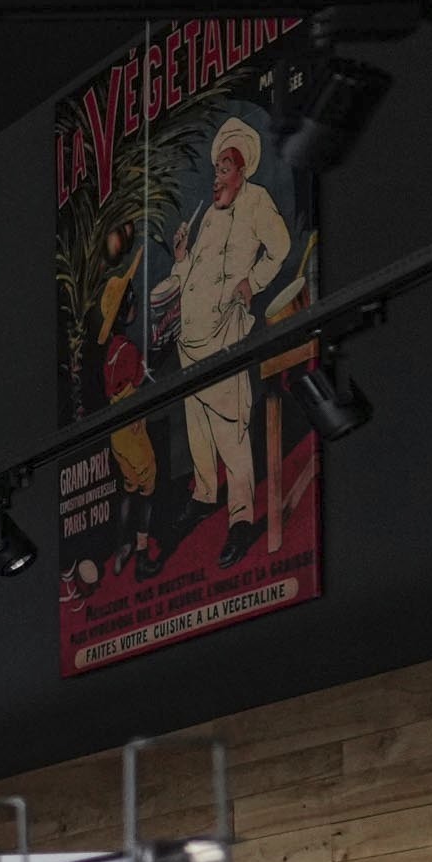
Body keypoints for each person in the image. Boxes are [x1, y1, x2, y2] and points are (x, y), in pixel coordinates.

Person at [159, 115, 293, 569]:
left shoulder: (257, 203)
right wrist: (180, 259)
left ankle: (240, 518)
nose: (216, 177)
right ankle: (202, 493)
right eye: (215, 169)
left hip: (225, 336)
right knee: (197, 427)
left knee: (231, 429)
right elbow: (192, 275)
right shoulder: (209, 217)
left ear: (242, 171)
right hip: (190, 340)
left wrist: (252, 283)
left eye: (223, 169)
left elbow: (282, 248)